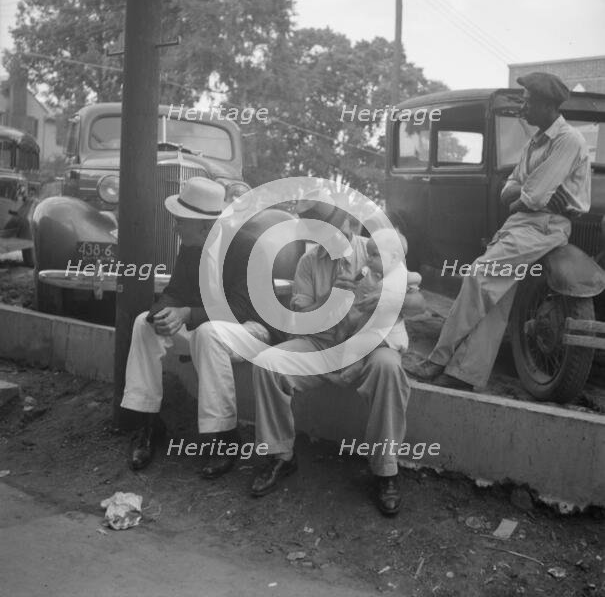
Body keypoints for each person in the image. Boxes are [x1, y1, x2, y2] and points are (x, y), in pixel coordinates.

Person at [409, 72, 591, 389]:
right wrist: (526, 196)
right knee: (498, 294)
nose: (523, 106)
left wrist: (527, 196)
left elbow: (532, 196)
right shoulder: (536, 142)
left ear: (548, 105)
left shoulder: (567, 140)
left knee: (480, 276)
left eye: (528, 101)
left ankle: (437, 358)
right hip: (524, 224)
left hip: (545, 227)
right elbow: (510, 191)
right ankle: (464, 375)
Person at [249, 198, 411, 516]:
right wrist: (327, 302)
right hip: (321, 345)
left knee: (389, 367)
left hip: (369, 346)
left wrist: (382, 300)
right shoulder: (309, 262)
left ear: (349, 224)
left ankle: (385, 469)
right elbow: (298, 317)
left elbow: (417, 304)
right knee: (269, 362)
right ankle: (280, 455)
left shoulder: (380, 250)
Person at [120, 176, 271, 477]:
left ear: (205, 226)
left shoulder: (249, 248)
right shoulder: (191, 246)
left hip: (252, 332)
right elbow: (175, 291)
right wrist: (160, 313)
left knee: (208, 332)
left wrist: (187, 313)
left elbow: (240, 310)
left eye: (181, 221)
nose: (175, 226)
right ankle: (149, 425)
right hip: (206, 330)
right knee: (143, 324)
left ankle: (225, 436)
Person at [330, 228, 420, 385]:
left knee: (356, 345)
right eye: (368, 254)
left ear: (393, 258)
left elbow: (416, 282)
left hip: (387, 334)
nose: (369, 259)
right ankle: (348, 368)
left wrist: (409, 281)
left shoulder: (398, 275)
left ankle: (347, 375)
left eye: (375, 255)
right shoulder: (371, 271)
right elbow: (357, 280)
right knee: (353, 344)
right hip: (372, 329)